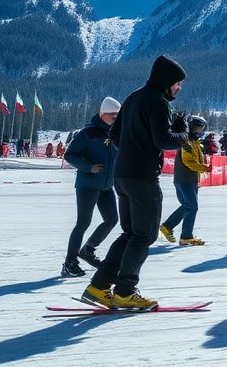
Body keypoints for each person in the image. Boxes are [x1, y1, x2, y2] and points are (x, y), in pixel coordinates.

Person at [81, 55, 188, 311]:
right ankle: (125, 291)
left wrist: (133, 150)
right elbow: (164, 140)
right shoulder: (158, 102)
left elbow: (115, 133)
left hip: (122, 175)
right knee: (145, 235)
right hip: (143, 177)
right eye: (178, 84)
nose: (179, 89)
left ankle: (99, 285)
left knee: (130, 233)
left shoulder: (133, 97)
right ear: (167, 81)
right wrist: (183, 131)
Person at [61, 97, 121, 277]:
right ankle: (69, 262)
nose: (115, 119)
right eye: (112, 115)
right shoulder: (88, 133)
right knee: (83, 223)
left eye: (118, 116)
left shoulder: (116, 133)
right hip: (88, 185)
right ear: (102, 114)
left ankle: (88, 250)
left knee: (111, 219)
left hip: (106, 185)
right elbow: (70, 155)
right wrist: (88, 167)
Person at [160, 115, 210, 246]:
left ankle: (186, 236)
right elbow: (188, 161)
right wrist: (203, 168)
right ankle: (168, 226)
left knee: (190, 207)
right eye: (198, 128)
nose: (200, 132)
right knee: (191, 206)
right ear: (192, 128)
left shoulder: (194, 142)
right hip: (184, 179)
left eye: (202, 129)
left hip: (191, 179)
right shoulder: (186, 142)